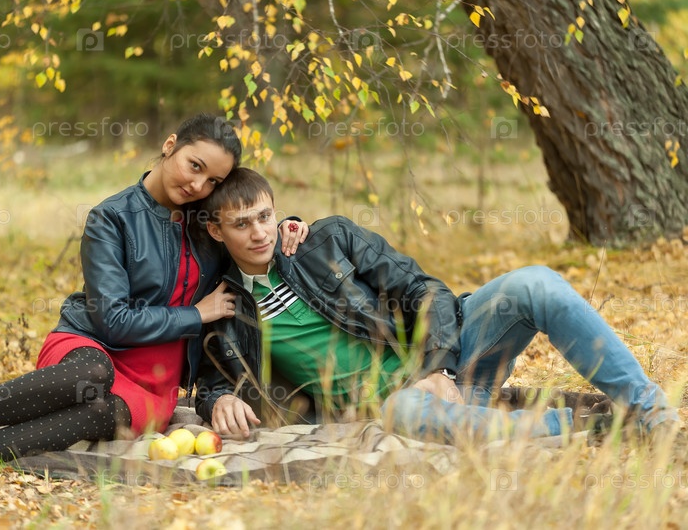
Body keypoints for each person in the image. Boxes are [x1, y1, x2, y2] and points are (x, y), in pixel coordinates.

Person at [0, 114, 308, 478]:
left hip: (154, 382)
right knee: (93, 374)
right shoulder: (112, 218)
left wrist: (289, 225)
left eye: (213, 180)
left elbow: (249, 220)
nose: (198, 185)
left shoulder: (207, 222)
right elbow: (113, 321)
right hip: (91, 346)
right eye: (193, 166)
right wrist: (195, 315)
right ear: (170, 146)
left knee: (100, 411)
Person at [194, 167, 680, 444]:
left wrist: (440, 370)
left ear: (277, 211)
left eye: (265, 216)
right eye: (241, 224)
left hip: (457, 358)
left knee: (536, 282)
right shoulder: (225, 308)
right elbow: (212, 381)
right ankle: (588, 427)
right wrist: (219, 401)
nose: (259, 233)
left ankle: (650, 409)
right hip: (400, 404)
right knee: (404, 411)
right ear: (216, 230)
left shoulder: (327, 240)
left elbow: (427, 291)